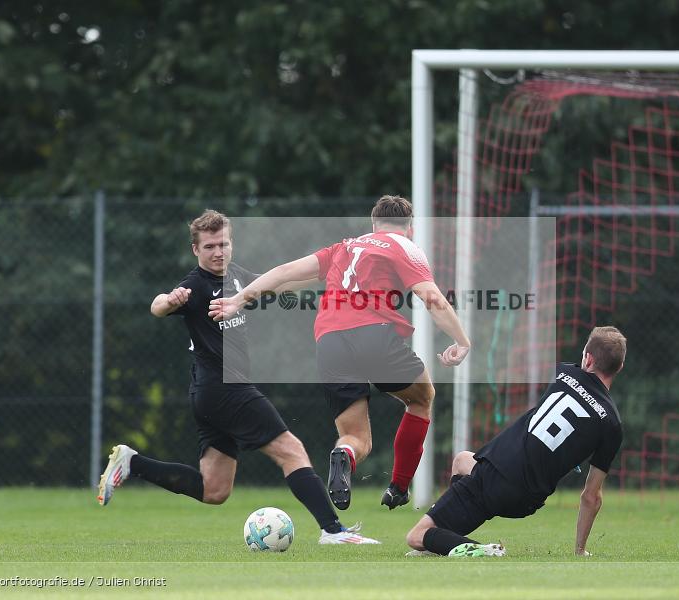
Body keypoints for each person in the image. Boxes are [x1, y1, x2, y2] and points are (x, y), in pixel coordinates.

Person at [97, 209, 379, 545]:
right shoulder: (195, 286)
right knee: (292, 451)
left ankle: (133, 463)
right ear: (195, 250)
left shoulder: (236, 277)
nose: (218, 252)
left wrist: (329, 273)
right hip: (225, 389)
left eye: (224, 244)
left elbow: (280, 282)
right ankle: (333, 531)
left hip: (209, 395)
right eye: (210, 246)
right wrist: (169, 300)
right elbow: (158, 305)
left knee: (214, 490)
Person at [209, 195, 471, 511]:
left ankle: (344, 455)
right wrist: (461, 340)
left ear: (373, 224)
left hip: (330, 341)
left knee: (355, 437)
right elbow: (432, 298)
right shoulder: (406, 247)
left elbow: (287, 270)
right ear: (410, 228)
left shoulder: (344, 247)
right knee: (422, 397)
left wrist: (240, 299)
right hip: (374, 335)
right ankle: (399, 487)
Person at [405, 326, 626, 557]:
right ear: (619, 367)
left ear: (588, 358)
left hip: (496, 475)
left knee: (415, 537)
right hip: (527, 500)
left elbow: (513, 363)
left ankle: (482, 550)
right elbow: (591, 496)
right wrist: (580, 550)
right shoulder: (612, 423)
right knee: (462, 461)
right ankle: (446, 542)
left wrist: (461, 350)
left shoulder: (562, 373)